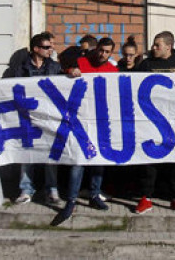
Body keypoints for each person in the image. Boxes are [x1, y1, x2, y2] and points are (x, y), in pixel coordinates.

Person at [51, 37, 118, 226]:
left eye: (107, 52)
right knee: (78, 161)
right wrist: (71, 71)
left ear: (111, 53)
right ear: (96, 49)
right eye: (100, 50)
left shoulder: (113, 71)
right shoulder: (81, 62)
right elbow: (63, 64)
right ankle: (71, 201)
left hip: (100, 121)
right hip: (79, 120)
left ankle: (94, 194)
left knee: (98, 160)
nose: (102, 54)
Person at [132, 31, 175, 215]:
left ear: (168, 46)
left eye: (157, 45)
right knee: (149, 160)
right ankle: (146, 198)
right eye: (153, 44)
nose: (153, 48)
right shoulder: (146, 64)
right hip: (151, 120)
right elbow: (129, 83)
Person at [5, 33, 62, 205]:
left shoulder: (55, 67)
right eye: (46, 47)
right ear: (36, 49)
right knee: (26, 153)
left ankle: (51, 189)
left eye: (50, 47)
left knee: (50, 154)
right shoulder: (20, 68)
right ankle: (26, 189)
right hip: (26, 116)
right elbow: (8, 87)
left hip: (48, 116)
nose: (50, 50)